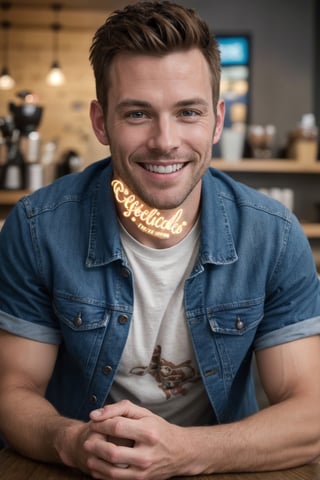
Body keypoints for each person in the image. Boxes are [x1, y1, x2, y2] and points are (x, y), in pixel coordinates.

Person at [0, 1, 320, 478]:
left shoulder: (273, 236)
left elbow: (310, 417)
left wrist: (184, 452)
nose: (165, 140)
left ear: (217, 119)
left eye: (188, 112)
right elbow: (12, 391)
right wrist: (70, 442)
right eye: (137, 114)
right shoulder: (35, 227)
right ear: (100, 121)